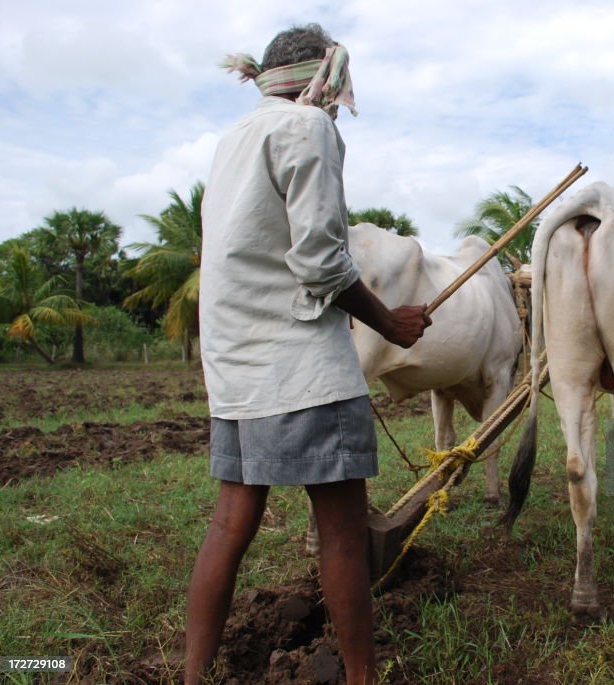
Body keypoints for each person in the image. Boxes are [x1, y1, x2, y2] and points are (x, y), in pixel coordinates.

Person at [185, 24, 431, 685]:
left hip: (235, 365)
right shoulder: (307, 128)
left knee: (230, 520)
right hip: (301, 365)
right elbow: (322, 261)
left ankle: (193, 676)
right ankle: (361, 676)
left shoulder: (234, 139)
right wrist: (390, 323)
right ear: (322, 78)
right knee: (344, 530)